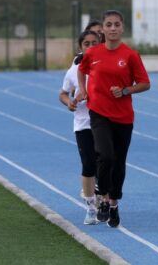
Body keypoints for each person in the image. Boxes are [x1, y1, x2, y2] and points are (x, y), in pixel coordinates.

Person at [77, 10, 151, 228]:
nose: (112, 28)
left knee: (118, 161)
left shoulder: (130, 55)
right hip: (98, 112)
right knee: (105, 156)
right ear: (103, 29)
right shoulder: (93, 53)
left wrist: (126, 90)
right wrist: (83, 90)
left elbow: (145, 83)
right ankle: (102, 198)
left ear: (122, 28)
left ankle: (114, 202)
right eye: (108, 25)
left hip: (123, 116)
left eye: (116, 25)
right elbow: (81, 70)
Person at [59, 30, 101, 225]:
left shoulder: (106, 67)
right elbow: (63, 93)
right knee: (89, 164)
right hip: (83, 123)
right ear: (80, 47)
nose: (91, 47)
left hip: (105, 121)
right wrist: (69, 102)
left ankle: (106, 200)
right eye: (87, 44)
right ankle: (91, 207)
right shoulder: (74, 70)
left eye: (94, 43)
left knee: (106, 162)